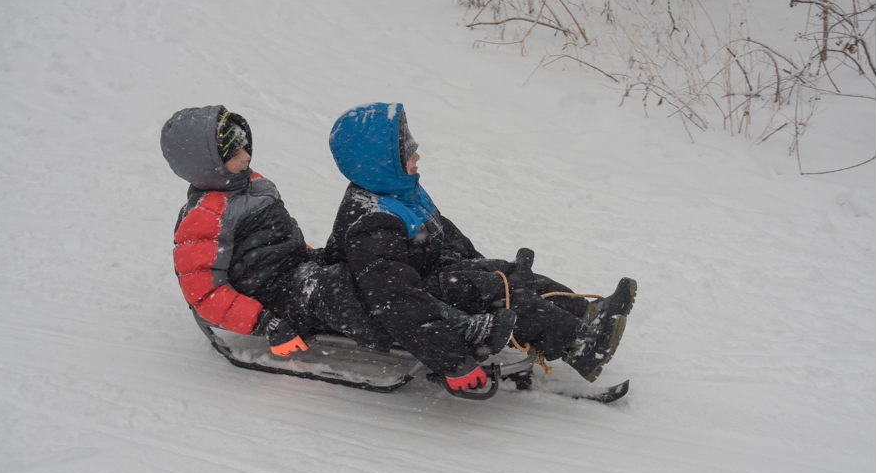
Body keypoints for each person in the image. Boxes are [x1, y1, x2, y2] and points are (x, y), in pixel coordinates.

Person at [324, 102, 636, 392]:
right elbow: (397, 301)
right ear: (380, 163)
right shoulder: (370, 222)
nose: (417, 155)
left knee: (504, 274)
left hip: (429, 275)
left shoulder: (400, 192)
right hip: (409, 297)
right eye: (406, 150)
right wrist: (453, 361)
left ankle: (588, 314)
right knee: (495, 292)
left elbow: (443, 233)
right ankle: (577, 345)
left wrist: (479, 263)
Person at [160, 105, 512, 362]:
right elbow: (203, 293)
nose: (247, 156)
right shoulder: (202, 218)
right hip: (269, 298)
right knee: (345, 290)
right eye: (235, 154)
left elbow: (280, 241)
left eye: (245, 147)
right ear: (205, 163)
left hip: (294, 272)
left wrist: (317, 257)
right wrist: (265, 323)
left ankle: (443, 307)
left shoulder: (253, 184)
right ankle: (458, 332)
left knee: (366, 271)